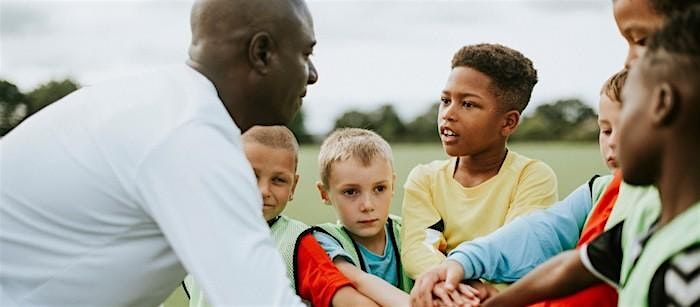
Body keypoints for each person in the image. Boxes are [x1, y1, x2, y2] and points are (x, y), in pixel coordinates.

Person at [0, 0, 318, 305]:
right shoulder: (191, 137)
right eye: (305, 54)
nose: (313, 74)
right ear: (261, 53)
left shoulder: (160, 103)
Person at [480, 7, 700, 306]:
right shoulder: (648, 218)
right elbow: (573, 266)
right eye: (603, 128)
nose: (612, 141)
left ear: (662, 103)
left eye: (626, 111)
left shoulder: (690, 266)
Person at [410, 69, 628, 307]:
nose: (612, 142)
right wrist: (461, 263)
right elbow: (536, 233)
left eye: (627, 128)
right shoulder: (597, 192)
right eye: (605, 130)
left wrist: (493, 296)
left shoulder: (532, 175)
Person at [400, 43, 558, 280]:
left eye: (468, 104)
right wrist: (460, 288)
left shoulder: (532, 177)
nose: (448, 114)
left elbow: (518, 250)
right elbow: (417, 251)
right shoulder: (425, 179)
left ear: (508, 123)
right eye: (445, 100)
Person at [183, 126, 377, 307]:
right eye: (251, 175)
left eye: (278, 180)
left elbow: (346, 299)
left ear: (293, 187)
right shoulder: (195, 233)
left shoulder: (296, 243)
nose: (264, 191)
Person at [312, 128, 469, 307]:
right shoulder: (323, 240)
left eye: (379, 188)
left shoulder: (411, 230)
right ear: (324, 194)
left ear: (393, 185)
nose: (367, 205)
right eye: (351, 192)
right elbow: (358, 280)